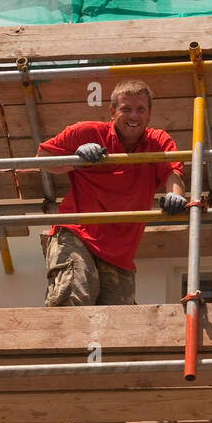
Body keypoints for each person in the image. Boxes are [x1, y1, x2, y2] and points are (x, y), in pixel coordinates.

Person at [38, 80, 186, 306]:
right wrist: (76, 161)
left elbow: (172, 174)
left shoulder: (159, 141)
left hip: (119, 254)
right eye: (126, 109)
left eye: (140, 109)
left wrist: (175, 195)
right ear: (112, 111)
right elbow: (43, 158)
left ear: (149, 114)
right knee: (72, 299)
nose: (133, 116)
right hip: (77, 234)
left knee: (117, 324)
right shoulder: (86, 132)